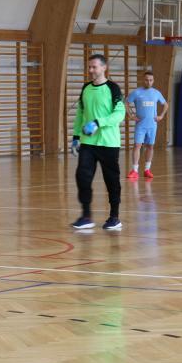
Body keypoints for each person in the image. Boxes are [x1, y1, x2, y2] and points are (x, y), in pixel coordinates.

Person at [70, 54, 126, 231]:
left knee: (111, 180)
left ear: (104, 68)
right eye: (89, 67)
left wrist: (98, 122)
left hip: (108, 143)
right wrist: (76, 136)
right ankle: (86, 216)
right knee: (82, 177)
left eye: (94, 67)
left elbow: (120, 114)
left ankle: (114, 217)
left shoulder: (113, 88)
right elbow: (80, 114)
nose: (91, 70)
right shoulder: (85, 88)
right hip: (88, 143)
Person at [126, 71, 168, 179]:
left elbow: (165, 105)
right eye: (146, 80)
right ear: (142, 80)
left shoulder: (156, 93)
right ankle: (135, 170)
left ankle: (147, 170)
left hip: (152, 125)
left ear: (153, 81)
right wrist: (131, 115)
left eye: (150, 80)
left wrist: (161, 116)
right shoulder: (136, 92)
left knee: (150, 146)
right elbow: (126, 103)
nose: (148, 82)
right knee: (137, 146)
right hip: (140, 125)